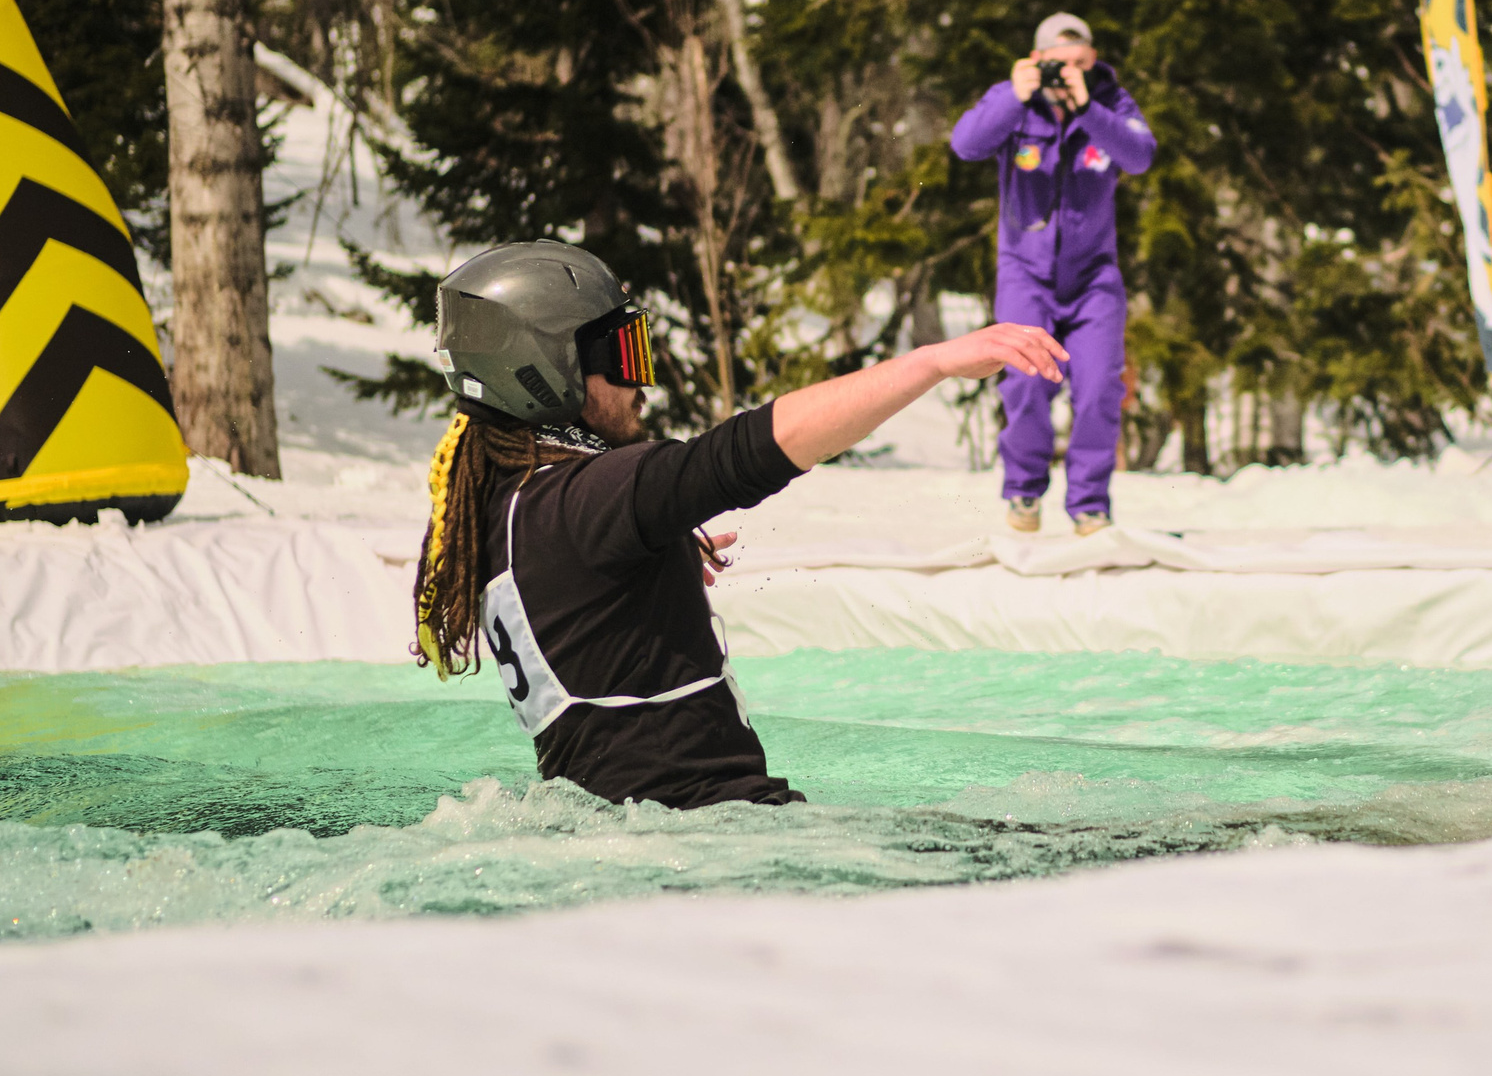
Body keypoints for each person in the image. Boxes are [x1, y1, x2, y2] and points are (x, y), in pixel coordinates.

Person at [412, 239, 1068, 811]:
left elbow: (589, 613)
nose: (644, 382)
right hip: (712, 823)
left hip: (628, 828)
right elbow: (743, 453)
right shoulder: (585, 503)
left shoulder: (507, 510)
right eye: (624, 353)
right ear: (542, 372)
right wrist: (930, 363)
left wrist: (649, 571)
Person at [950, 12, 1157, 533]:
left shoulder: (1109, 101)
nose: (1070, 75)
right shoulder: (1014, 100)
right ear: (1037, 60)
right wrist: (1013, 98)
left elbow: (1139, 155)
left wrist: (1088, 108)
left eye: (1082, 64)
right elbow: (966, 144)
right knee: (1023, 382)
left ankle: (1089, 503)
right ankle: (1023, 494)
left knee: (1098, 387)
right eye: (1060, 65)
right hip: (1026, 272)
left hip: (1094, 278)